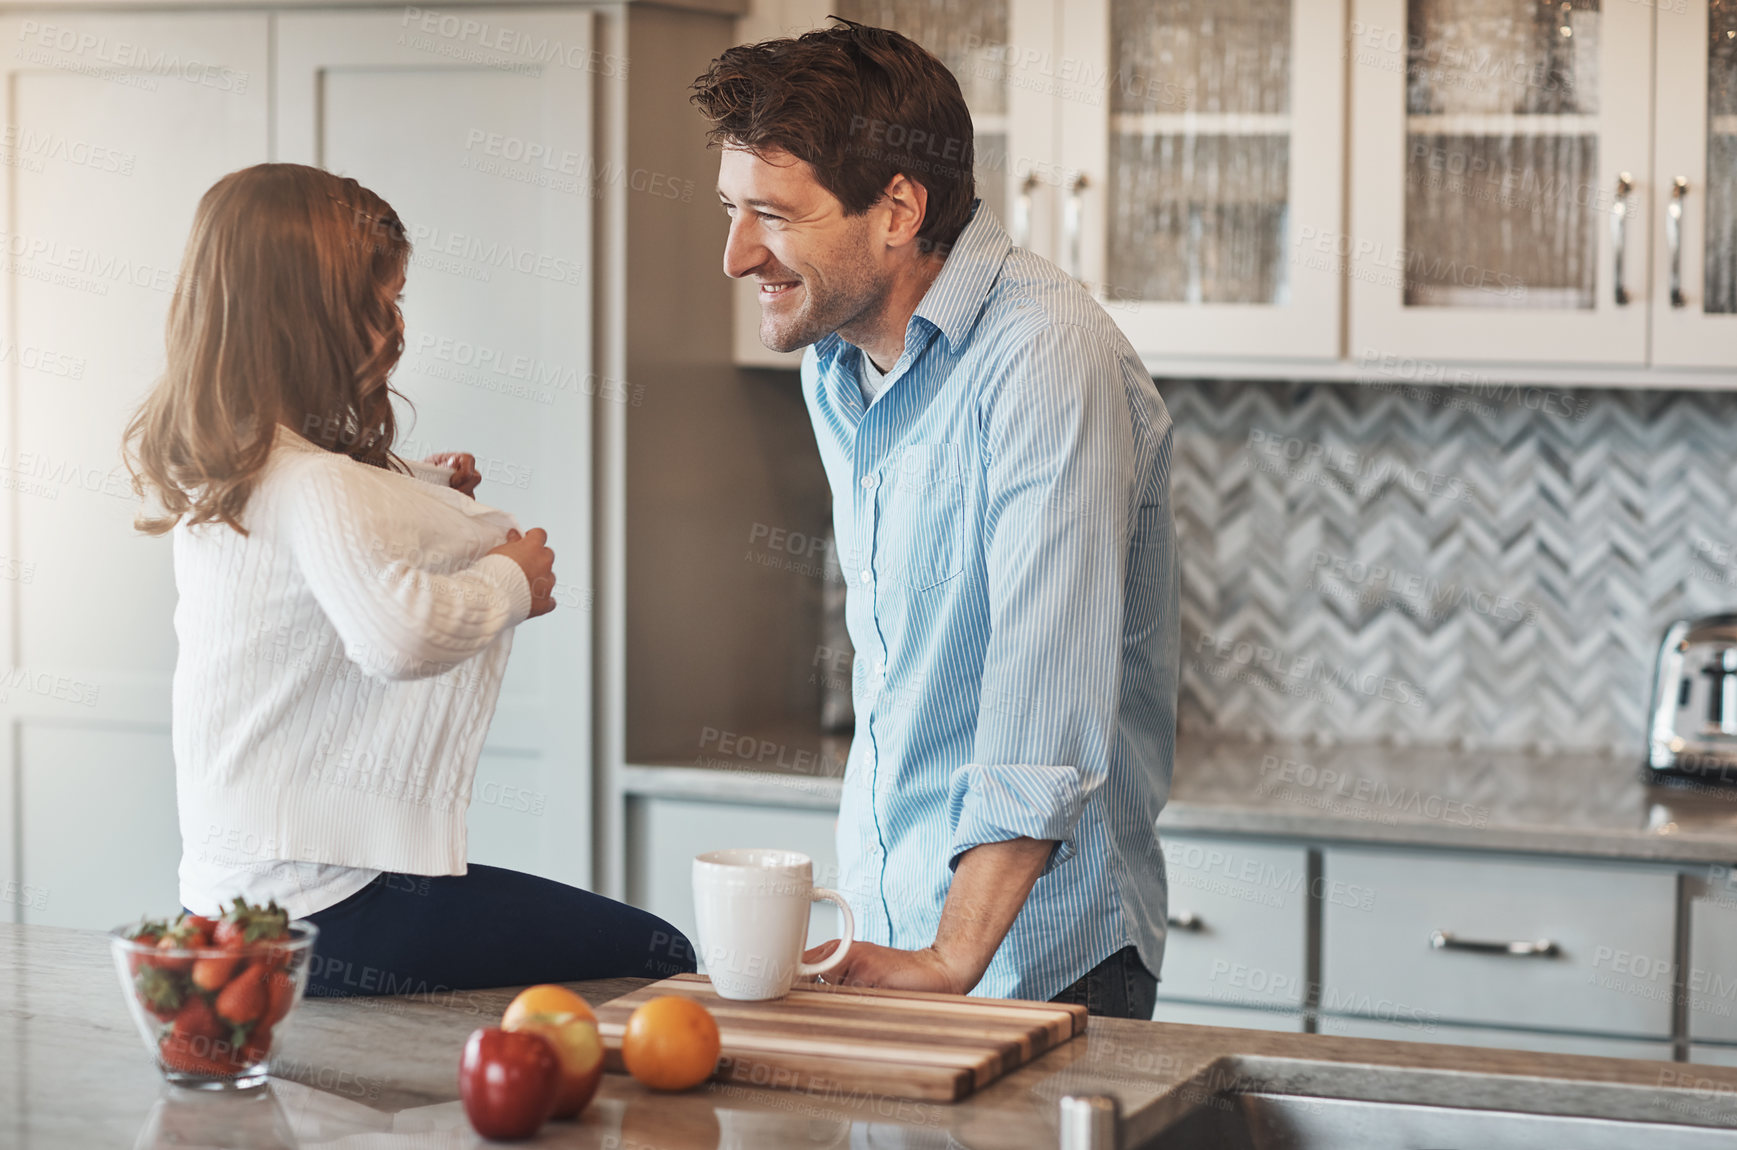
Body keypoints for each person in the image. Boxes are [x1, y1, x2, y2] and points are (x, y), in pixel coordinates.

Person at [691, 22, 1179, 1019]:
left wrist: (954, 951)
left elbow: (1045, 682)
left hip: (1033, 958)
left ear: (898, 210)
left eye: (773, 215)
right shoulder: (842, 362)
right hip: (891, 934)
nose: (737, 255)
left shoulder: (1042, 353)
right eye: (733, 211)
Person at [125, 162, 693, 996]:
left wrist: (427, 492)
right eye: (384, 302)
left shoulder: (237, 471)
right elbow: (399, 635)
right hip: (323, 906)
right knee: (660, 956)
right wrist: (510, 578)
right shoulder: (315, 486)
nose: (396, 324)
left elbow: (334, 542)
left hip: (235, 899)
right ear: (317, 319)